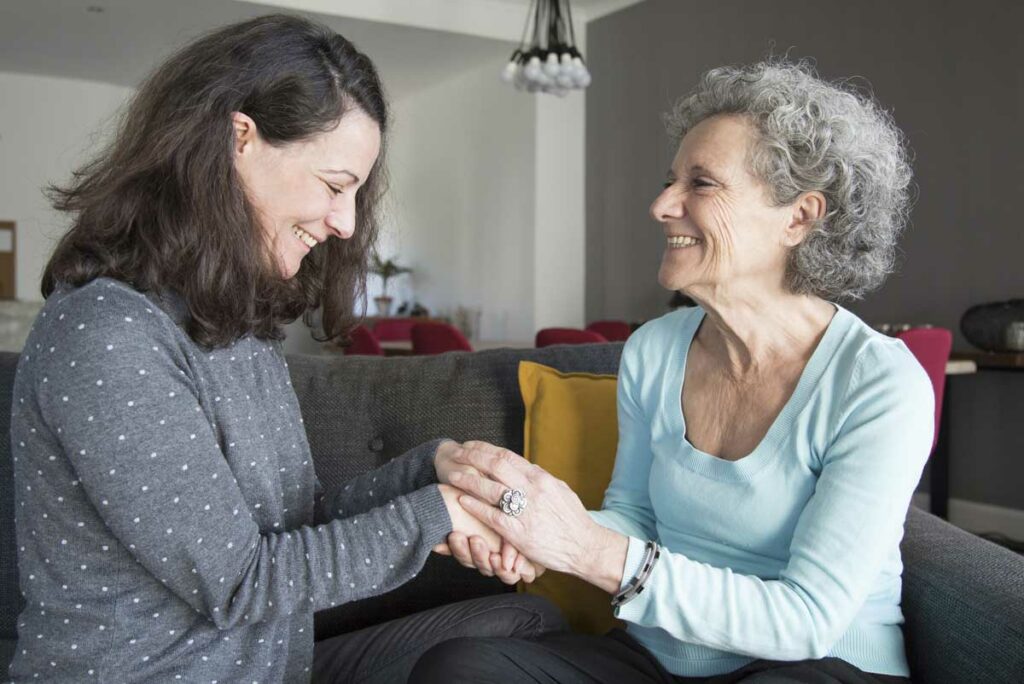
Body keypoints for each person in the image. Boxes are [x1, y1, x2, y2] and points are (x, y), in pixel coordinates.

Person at [8, 14, 561, 684]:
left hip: (270, 666)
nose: (346, 222)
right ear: (239, 139)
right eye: (335, 185)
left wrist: (437, 472)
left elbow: (298, 529)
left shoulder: (234, 321)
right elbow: (243, 582)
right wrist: (437, 515)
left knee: (528, 626)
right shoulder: (106, 335)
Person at [413, 60, 931, 683]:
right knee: (462, 667)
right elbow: (632, 517)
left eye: (701, 183)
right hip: (661, 656)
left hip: (813, 664)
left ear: (798, 217)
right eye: (669, 181)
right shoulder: (655, 350)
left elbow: (807, 618)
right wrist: (523, 530)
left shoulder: (877, 384)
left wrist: (586, 547)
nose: (661, 205)